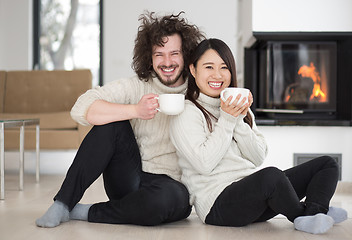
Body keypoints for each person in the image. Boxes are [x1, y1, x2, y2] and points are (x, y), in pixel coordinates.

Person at [36, 11, 205, 228]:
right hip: (129, 177)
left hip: (171, 187)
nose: (167, 62)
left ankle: (87, 211)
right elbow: (81, 108)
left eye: (175, 53)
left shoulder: (197, 91)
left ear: (186, 55)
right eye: (159, 54)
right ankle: (63, 203)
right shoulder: (137, 85)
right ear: (149, 58)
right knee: (111, 123)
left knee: (167, 200)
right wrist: (135, 110)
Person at [169, 38, 348, 234]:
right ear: (193, 70)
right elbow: (204, 164)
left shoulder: (238, 107)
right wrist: (228, 119)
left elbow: (257, 157)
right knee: (272, 176)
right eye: (209, 67)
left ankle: (316, 211)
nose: (217, 75)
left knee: (326, 164)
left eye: (224, 67)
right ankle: (304, 216)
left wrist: (237, 118)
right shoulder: (187, 112)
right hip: (217, 205)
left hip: (254, 197)